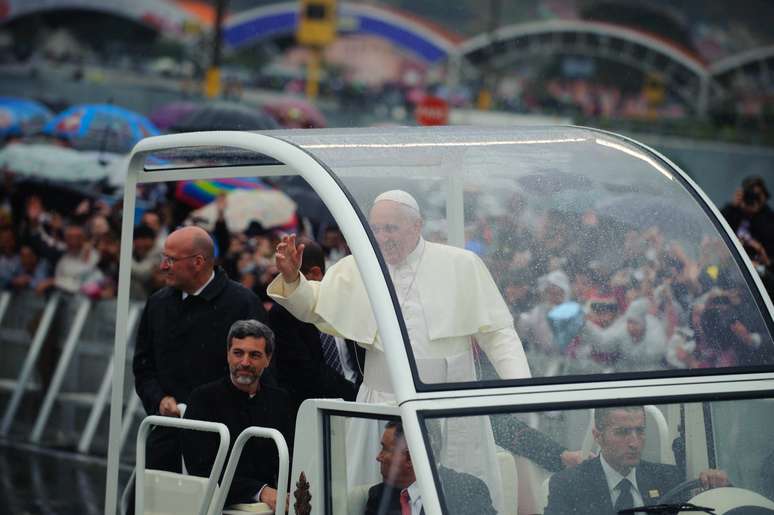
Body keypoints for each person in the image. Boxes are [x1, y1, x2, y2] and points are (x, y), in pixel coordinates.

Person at [269, 190, 531, 509]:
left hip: (449, 404)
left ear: (416, 226)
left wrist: (520, 386)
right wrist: (292, 279)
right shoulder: (359, 267)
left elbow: (498, 332)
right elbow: (314, 306)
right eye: (375, 229)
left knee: (459, 496)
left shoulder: (461, 264)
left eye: (390, 228)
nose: (381, 237)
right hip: (384, 403)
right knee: (372, 498)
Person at [133, 225, 267, 473]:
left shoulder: (243, 304)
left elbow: (261, 376)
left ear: (197, 262)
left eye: (171, 259)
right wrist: (159, 399)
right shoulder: (158, 304)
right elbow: (143, 368)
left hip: (223, 444)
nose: (163, 266)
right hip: (166, 440)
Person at [182, 320, 293, 511]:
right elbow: (201, 470)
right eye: (238, 353)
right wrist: (261, 491)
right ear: (227, 355)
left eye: (255, 355)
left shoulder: (279, 400)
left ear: (268, 359)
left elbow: (290, 457)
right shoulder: (203, 399)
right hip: (221, 505)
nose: (245, 362)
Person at [544, 406, 729, 515]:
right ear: (598, 436)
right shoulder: (568, 485)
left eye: (639, 431)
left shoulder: (669, 479)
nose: (634, 443)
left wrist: (718, 489)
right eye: (622, 432)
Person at [267, 238, 363, 418]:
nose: (287, 286)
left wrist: (366, 391)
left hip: (363, 403)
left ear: (315, 274)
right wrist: (354, 394)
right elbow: (305, 370)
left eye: (293, 278)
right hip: (314, 410)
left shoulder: (345, 300)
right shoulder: (282, 312)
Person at [365, 420, 495, 515]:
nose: (379, 457)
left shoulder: (467, 491)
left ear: (411, 457)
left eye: (385, 449)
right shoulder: (379, 496)